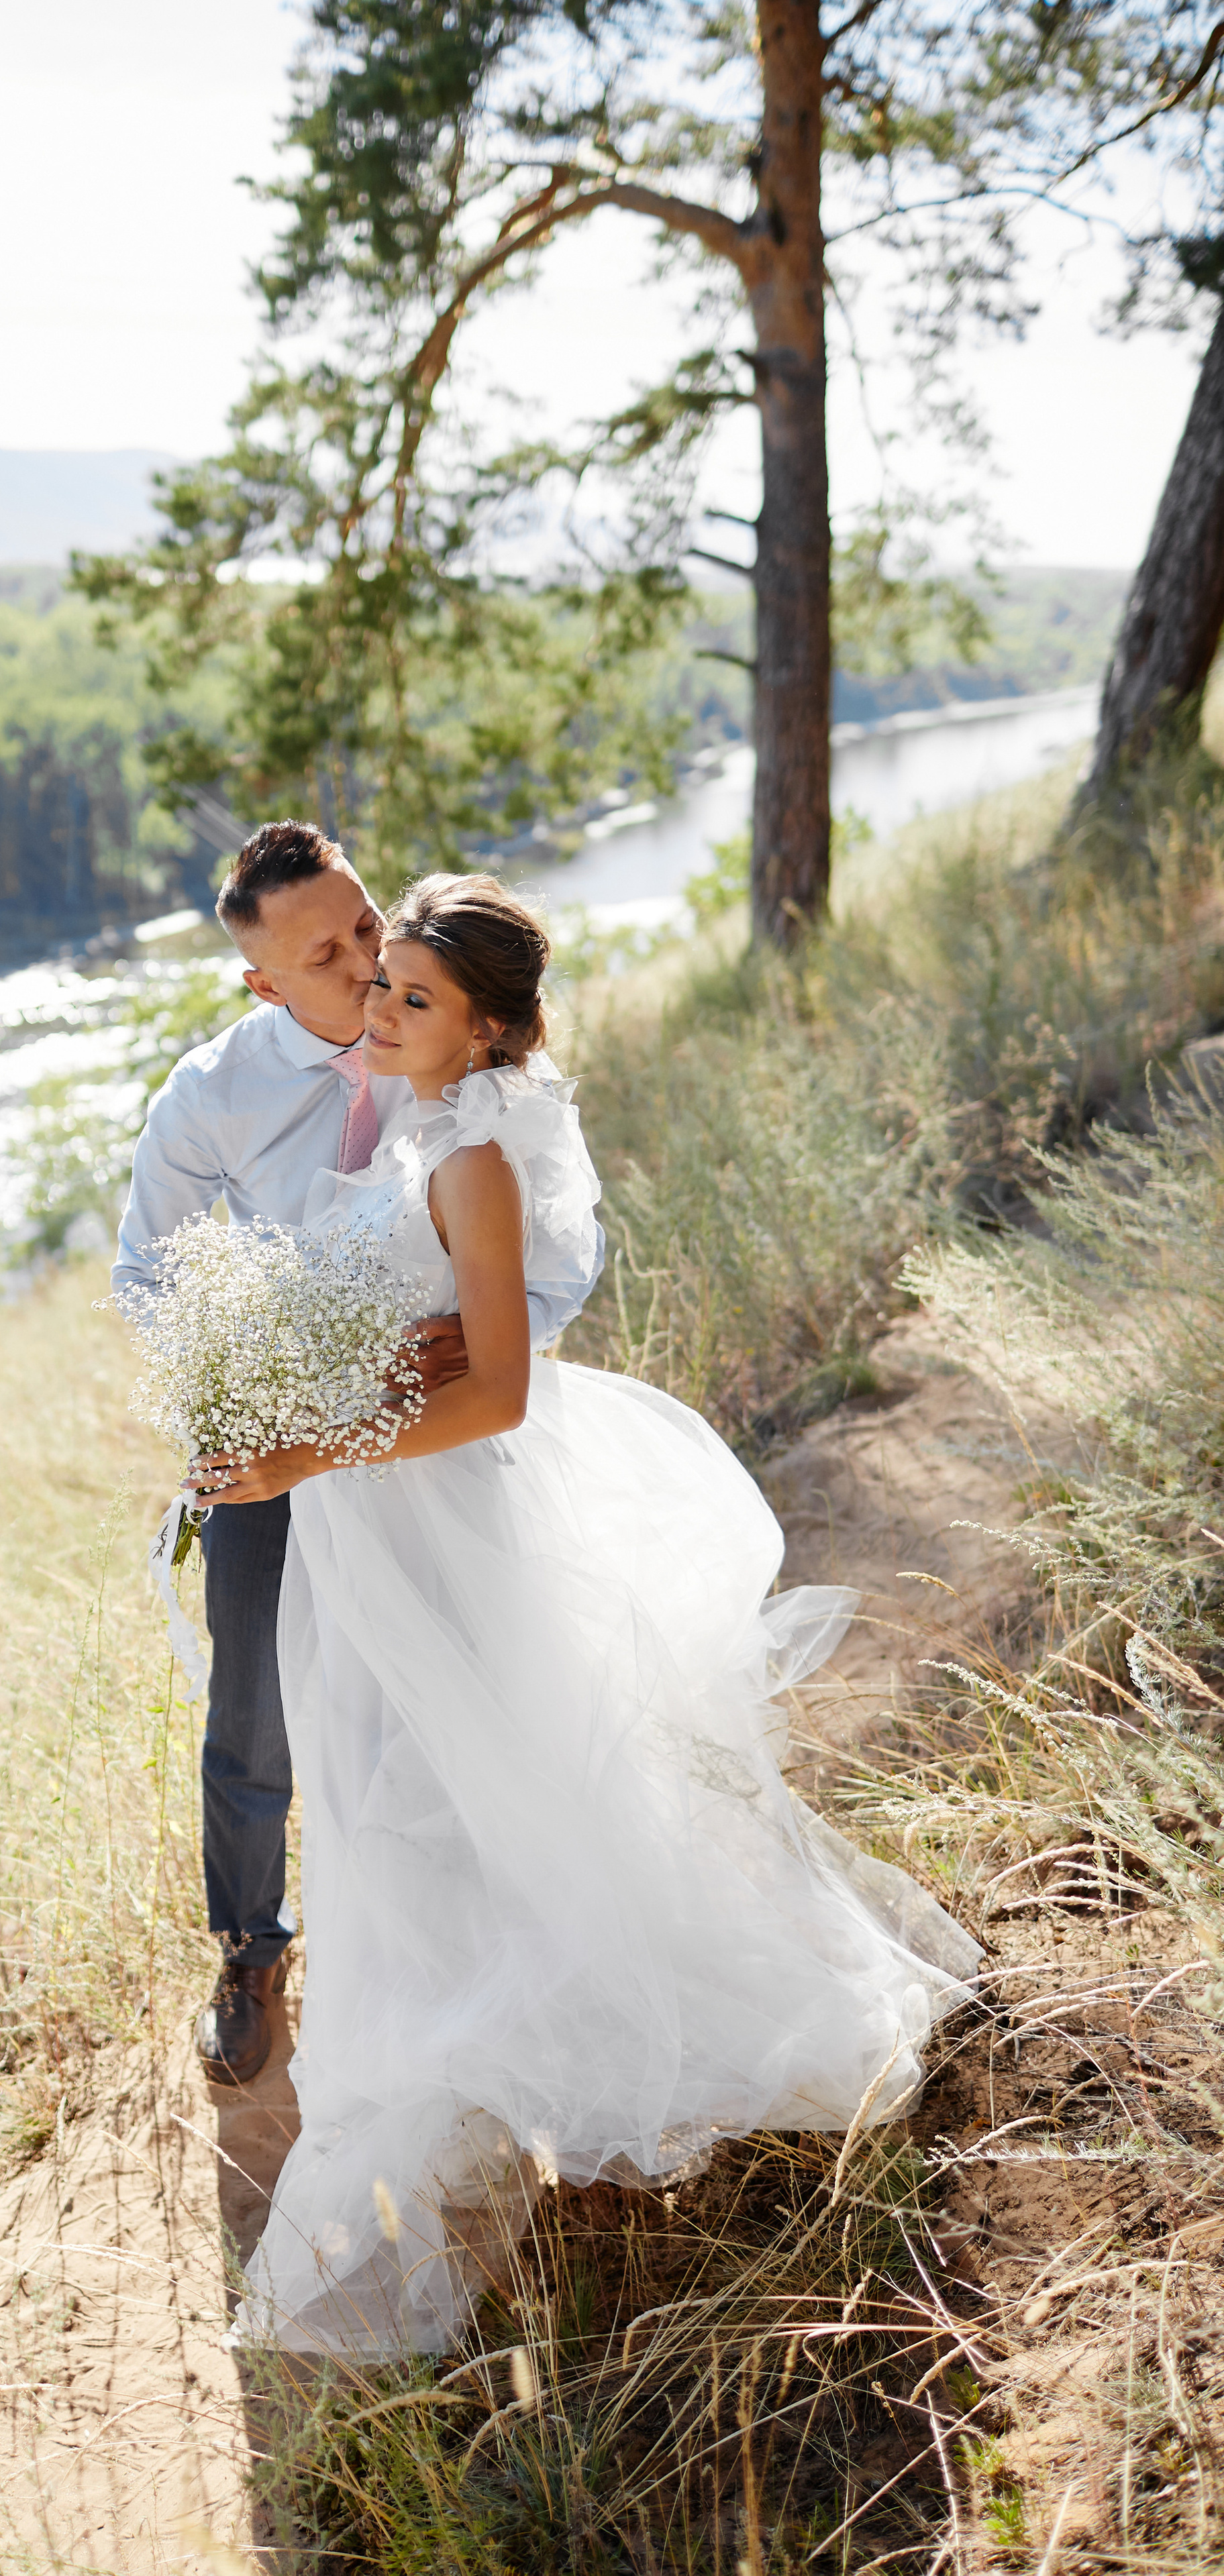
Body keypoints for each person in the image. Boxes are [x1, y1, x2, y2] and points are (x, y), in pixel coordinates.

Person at [192, 870, 982, 2357]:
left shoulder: (474, 1157)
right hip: (375, 1525)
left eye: (411, 996)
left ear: (487, 1032)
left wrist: (305, 1447)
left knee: (452, 1802)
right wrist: (278, 1393)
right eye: (376, 984)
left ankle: (514, 2089)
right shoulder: (423, 1118)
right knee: (393, 1808)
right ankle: (469, 2095)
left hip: (438, 1524)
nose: (377, 1005)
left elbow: (498, 1387)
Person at [110, 824, 604, 2086]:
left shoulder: (437, 1032)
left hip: (428, 1441)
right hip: (275, 1437)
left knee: (439, 1702)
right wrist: (250, 1397)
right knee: (256, 1708)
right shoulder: (211, 1091)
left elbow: (554, 1242)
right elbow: (148, 1274)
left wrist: (467, 1346)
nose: (366, 960)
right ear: (263, 984)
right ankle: (250, 1950)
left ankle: (465, 1962)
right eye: (326, 955)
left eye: (366, 922)